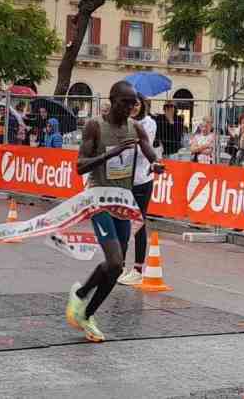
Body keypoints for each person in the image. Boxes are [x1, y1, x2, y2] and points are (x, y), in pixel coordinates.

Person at [66, 81, 163, 342]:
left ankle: (85, 307)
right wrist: (112, 154)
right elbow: (80, 167)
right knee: (115, 261)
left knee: (116, 267)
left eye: (134, 103)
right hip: (99, 199)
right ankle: (83, 302)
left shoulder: (136, 127)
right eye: (125, 102)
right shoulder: (95, 126)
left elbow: (147, 148)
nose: (130, 107)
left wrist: (155, 162)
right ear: (112, 100)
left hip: (123, 200)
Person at [118, 93, 157, 286]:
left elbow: (142, 148)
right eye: (130, 104)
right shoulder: (125, 121)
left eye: (137, 104)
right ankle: (121, 265)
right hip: (125, 178)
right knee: (122, 221)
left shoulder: (148, 123)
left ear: (143, 105)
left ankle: (138, 268)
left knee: (138, 222)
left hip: (142, 178)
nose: (134, 107)